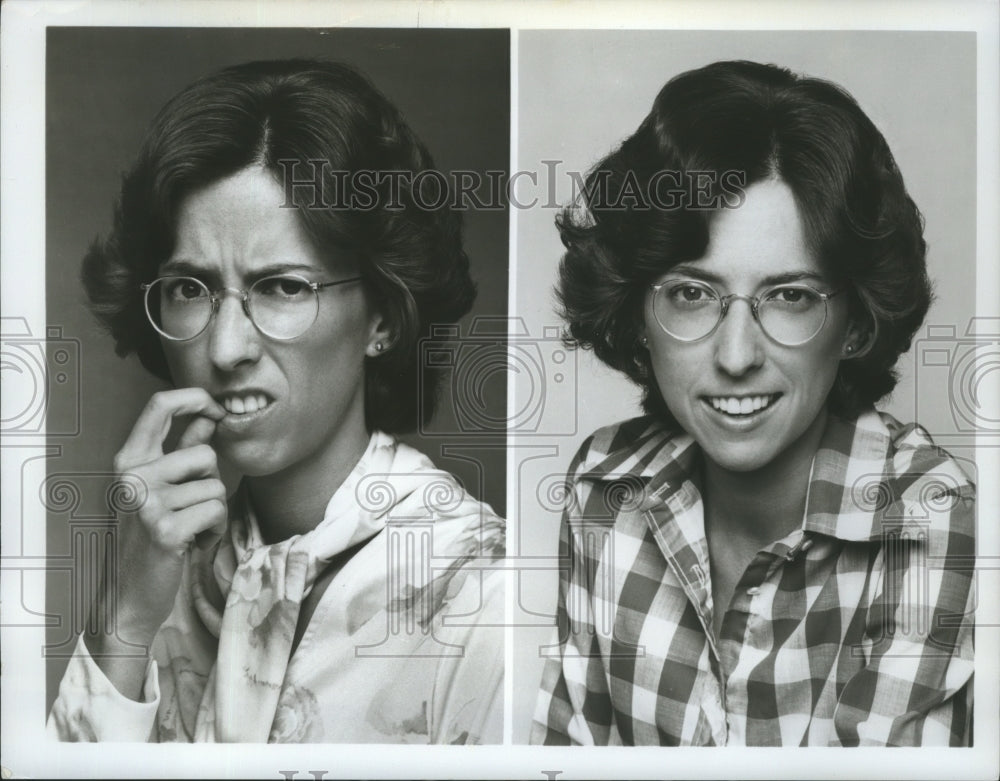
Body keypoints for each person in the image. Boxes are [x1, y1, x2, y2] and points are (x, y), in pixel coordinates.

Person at [47, 58, 504, 744]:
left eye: (284, 287)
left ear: (382, 315)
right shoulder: (162, 579)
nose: (226, 347)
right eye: (191, 288)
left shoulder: (484, 598)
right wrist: (124, 621)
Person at [532, 60, 974, 747]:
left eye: (789, 296)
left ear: (855, 323)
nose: (736, 355)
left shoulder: (927, 522)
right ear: (638, 312)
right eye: (692, 293)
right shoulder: (604, 488)